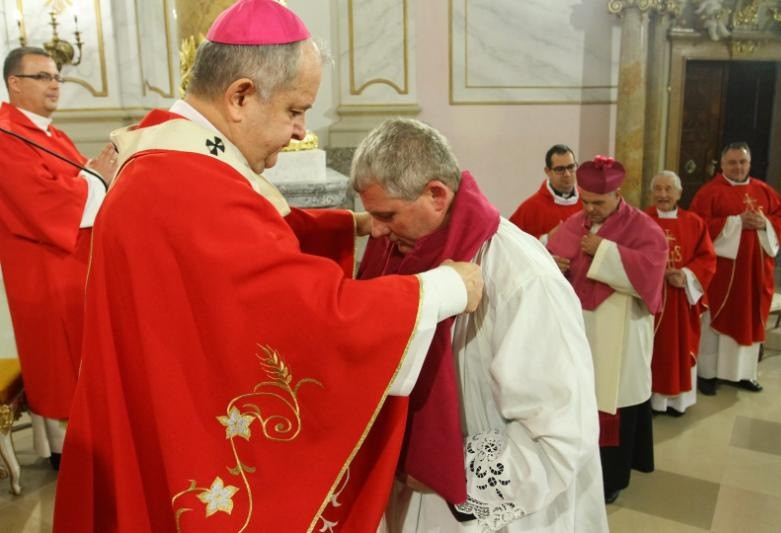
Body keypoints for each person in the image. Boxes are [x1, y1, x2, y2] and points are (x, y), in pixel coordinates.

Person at [52, 2, 483, 532]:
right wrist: (443, 288)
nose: (301, 131)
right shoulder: (186, 186)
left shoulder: (169, 164)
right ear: (240, 96)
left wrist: (347, 226)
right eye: (295, 110)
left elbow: (245, 250)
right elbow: (310, 315)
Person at [353, 118, 608, 532]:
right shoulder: (400, 250)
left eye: (387, 215)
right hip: (411, 489)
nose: (376, 230)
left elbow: (559, 438)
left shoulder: (521, 280)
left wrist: (446, 471)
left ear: (437, 195)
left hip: (496, 509)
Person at [0, 46, 115, 469]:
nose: (55, 85)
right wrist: (97, 176)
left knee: (81, 357)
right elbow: (46, 203)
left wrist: (96, 175)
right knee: (58, 363)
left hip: (73, 265)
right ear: (15, 84)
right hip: (44, 270)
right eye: (43, 77)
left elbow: (80, 176)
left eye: (57, 77)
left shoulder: (50, 134)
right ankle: (68, 452)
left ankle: (88, 441)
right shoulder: (6, 138)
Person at [547, 156, 668, 504]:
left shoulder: (644, 228)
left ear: (617, 194)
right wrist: (554, 264)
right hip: (582, 329)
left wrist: (605, 251)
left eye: (598, 203)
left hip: (623, 328)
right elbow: (552, 260)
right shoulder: (575, 224)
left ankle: (612, 477)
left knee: (616, 401)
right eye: (585, 201)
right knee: (582, 398)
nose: (589, 209)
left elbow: (651, 274)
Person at [690, 142, 781, 394]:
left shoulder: (763, 190)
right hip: (722, 273)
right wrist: (736, 223)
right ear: (722, 164)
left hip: (756, 271)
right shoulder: (709, 192)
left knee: (750, 317)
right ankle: (708, 374)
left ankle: (744, 374)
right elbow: (697, 226)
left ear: (749, 163)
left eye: (743, 162)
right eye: (732, 162)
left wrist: (765, 223)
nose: (738, 167)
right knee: (716, 318)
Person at [645, 171, 716, 416]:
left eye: (668, 189)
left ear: (679, 193)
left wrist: (686, 275)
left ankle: (677, 402)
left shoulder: (694, 222)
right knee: (652, 349)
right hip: (650, 299)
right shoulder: (641, 220)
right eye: (658, 189)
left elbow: (707, 259)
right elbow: (629, 255)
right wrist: (657, 274)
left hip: (681, 300)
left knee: (678, 348)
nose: (663, 194)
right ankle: (650, 400)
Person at [510, 144, 582, 244]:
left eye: (571, 167)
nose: (567, 174)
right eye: (560, 169)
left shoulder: (588, 201)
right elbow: (510, 242)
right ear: (547, 171)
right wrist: (546, 239)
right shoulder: (530, 207)